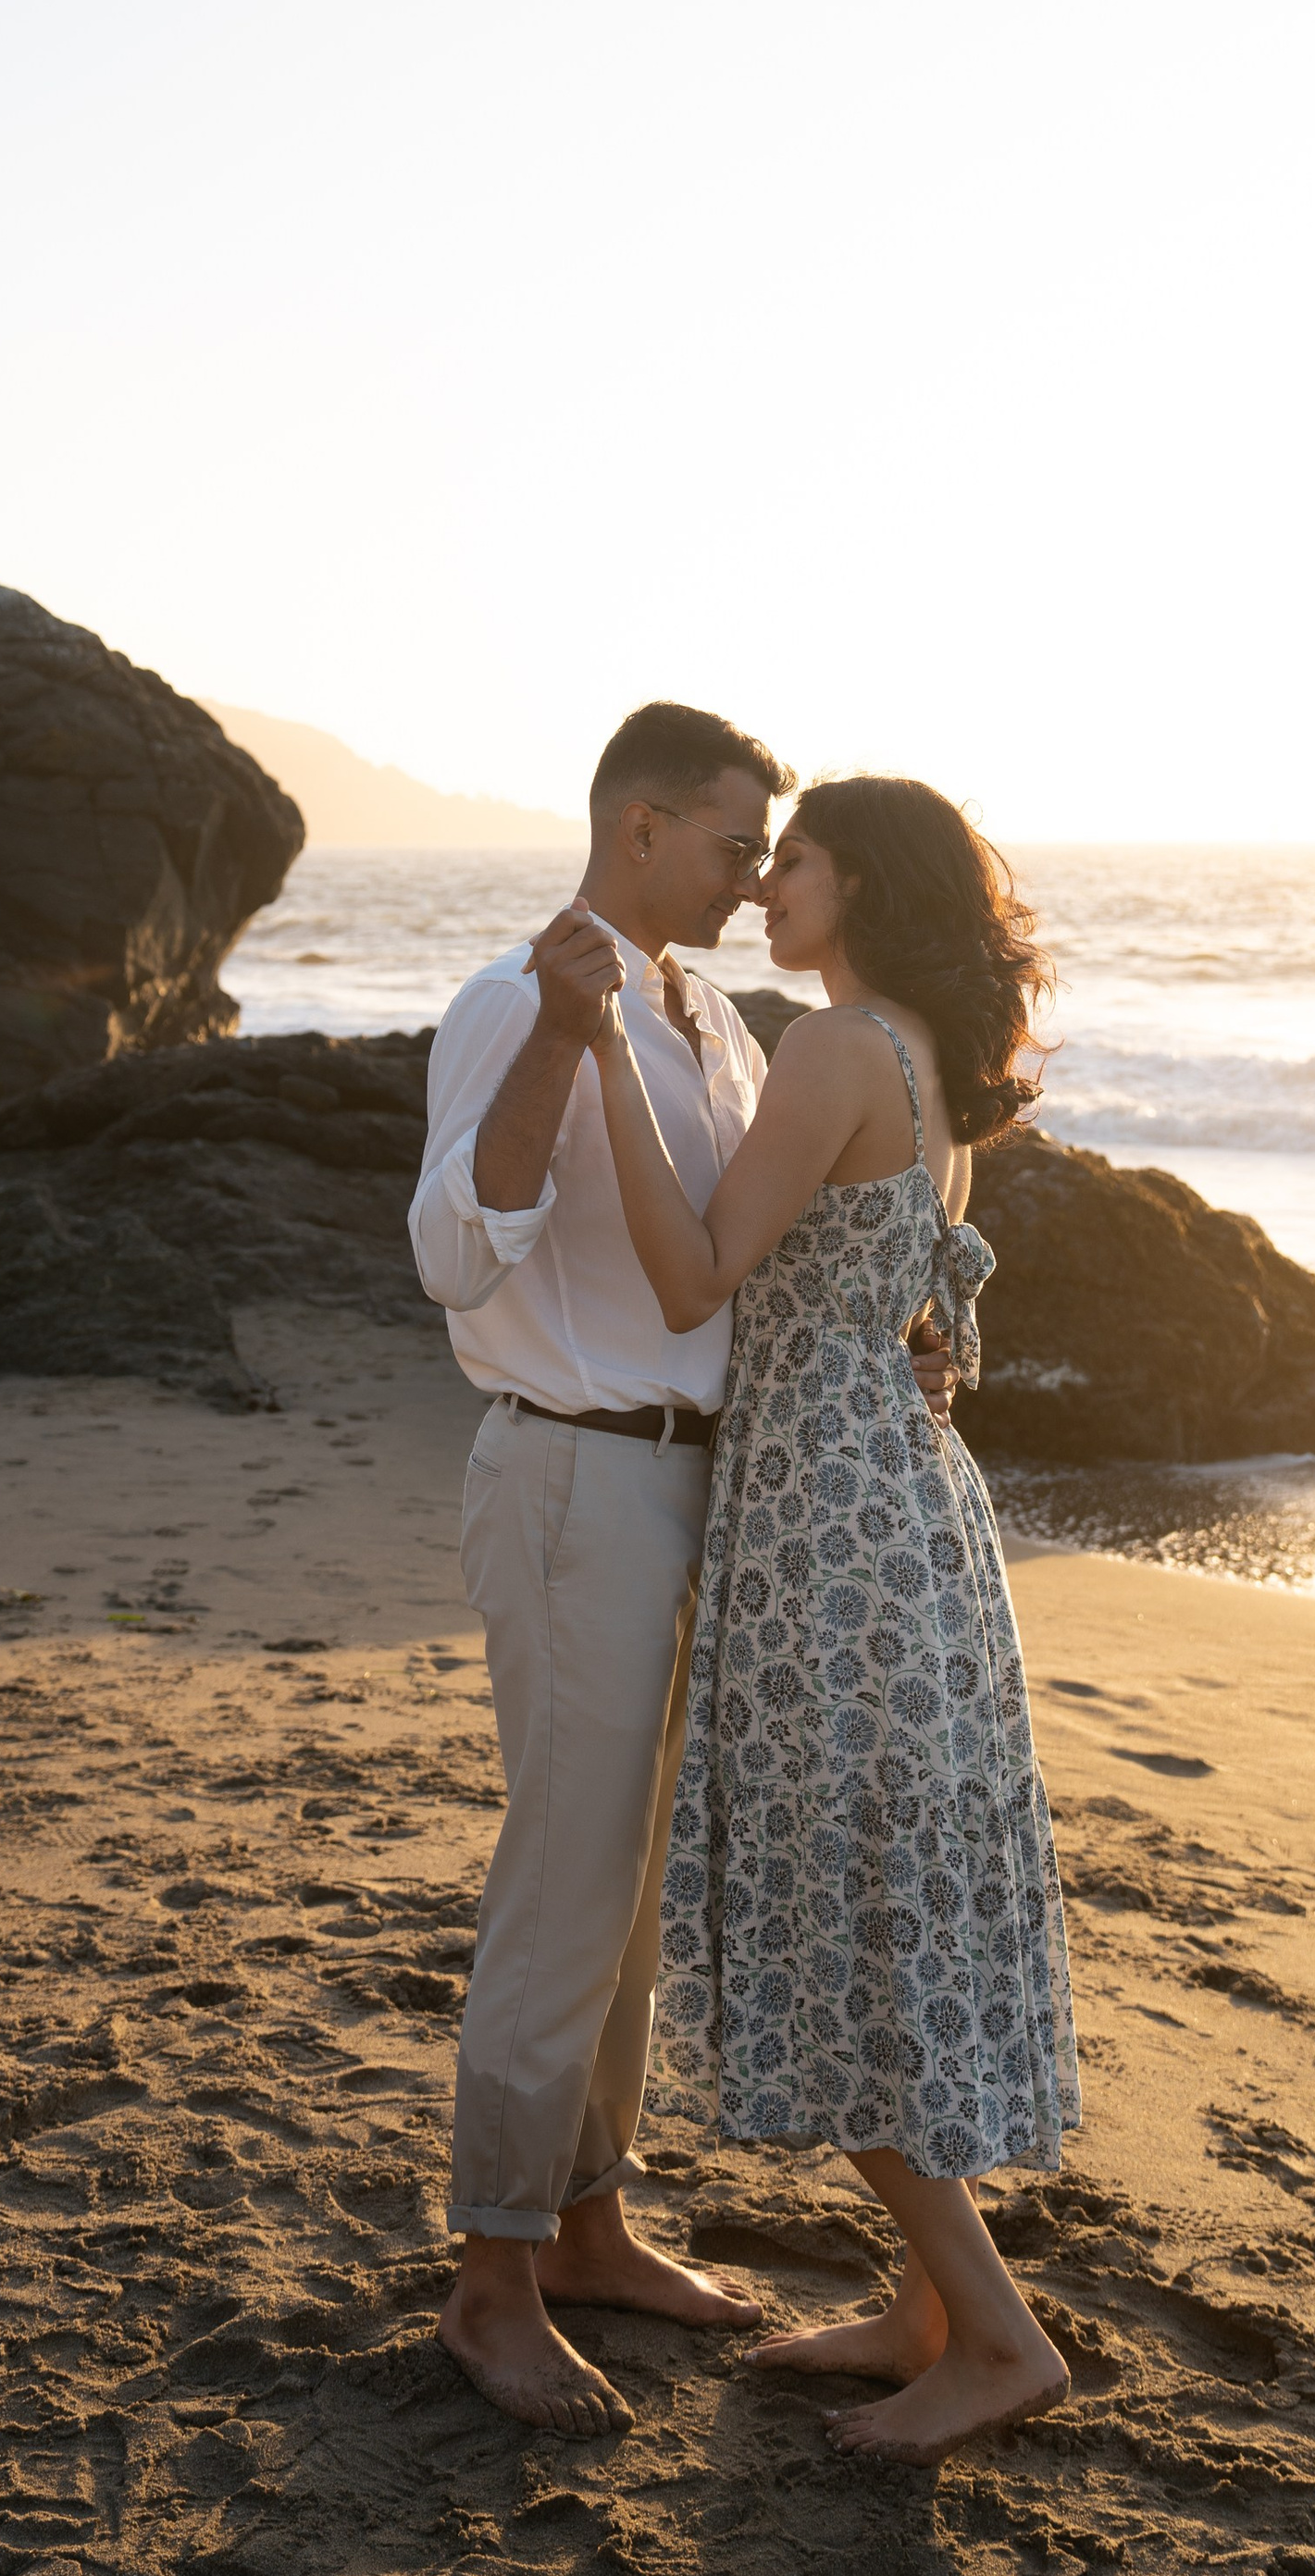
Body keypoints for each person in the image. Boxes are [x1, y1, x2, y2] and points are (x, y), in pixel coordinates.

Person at [407, 702, 955, 2435]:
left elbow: (742, 1254)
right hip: (574, 1475)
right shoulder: (520, 998)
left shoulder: (713, 1016)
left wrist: (903, 1342)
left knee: (632, 1903)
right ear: (641, 829)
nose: (752, 873)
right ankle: (490, 2283)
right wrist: (563, 1039)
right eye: (735, 843)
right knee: (567, 1885)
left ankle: (586, 2225)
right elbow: (452, 1245)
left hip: (702, 1489)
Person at [580, 774, 1080, 2468]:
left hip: (823, 1530)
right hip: (908, 1516)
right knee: (872, 1903)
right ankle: (927, 2312)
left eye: (791, 858)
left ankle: (995, 2335)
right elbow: (921, 1308)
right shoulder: (933, 1065)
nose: (767, 881)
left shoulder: (834, 1048)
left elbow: (695, 1274)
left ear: (859, 880)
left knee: (845, 1925)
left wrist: (596, 1060)